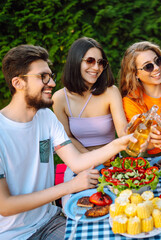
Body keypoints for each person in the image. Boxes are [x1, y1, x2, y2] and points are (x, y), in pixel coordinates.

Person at [0, 45, 132, 240]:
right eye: (42, 77)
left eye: (50, 76)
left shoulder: (46, 118)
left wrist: (119, 144)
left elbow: (76, 162)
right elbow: (5, 206)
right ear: (18, 83)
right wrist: (70, 186)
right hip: (6, 234)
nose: (51, 83)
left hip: (48, 222)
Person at [52, 37, 128, 205]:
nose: (96, 68)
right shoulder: (59, 98)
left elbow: (123, 131)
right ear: (75, 61)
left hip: (112, 163)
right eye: (90, 61)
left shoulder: (110, 92)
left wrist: (135, 134)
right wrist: (90, 161)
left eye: (101, 63)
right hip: (79, 165)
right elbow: (67, 138)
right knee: (81, 208)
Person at [119, 41, 161, 155]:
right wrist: (151, 142)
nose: (156, 68)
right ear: (135, 73)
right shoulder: (131, 102)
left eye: (158, 61)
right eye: (148, 66)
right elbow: (136, 145)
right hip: (150, 160)